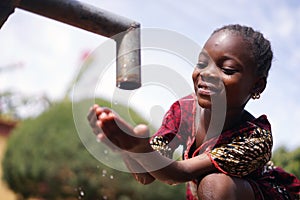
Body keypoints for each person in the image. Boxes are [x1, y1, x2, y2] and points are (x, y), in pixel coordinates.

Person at [87, 24, 300, 200]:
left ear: (257, 87)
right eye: (202, 63)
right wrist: (127, 146)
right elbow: (148, 175)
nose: (206, 74)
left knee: (215, 184)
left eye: (226, 70)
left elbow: (178, 173)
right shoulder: (183, 111)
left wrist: (140, 146)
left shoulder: (255, 138)